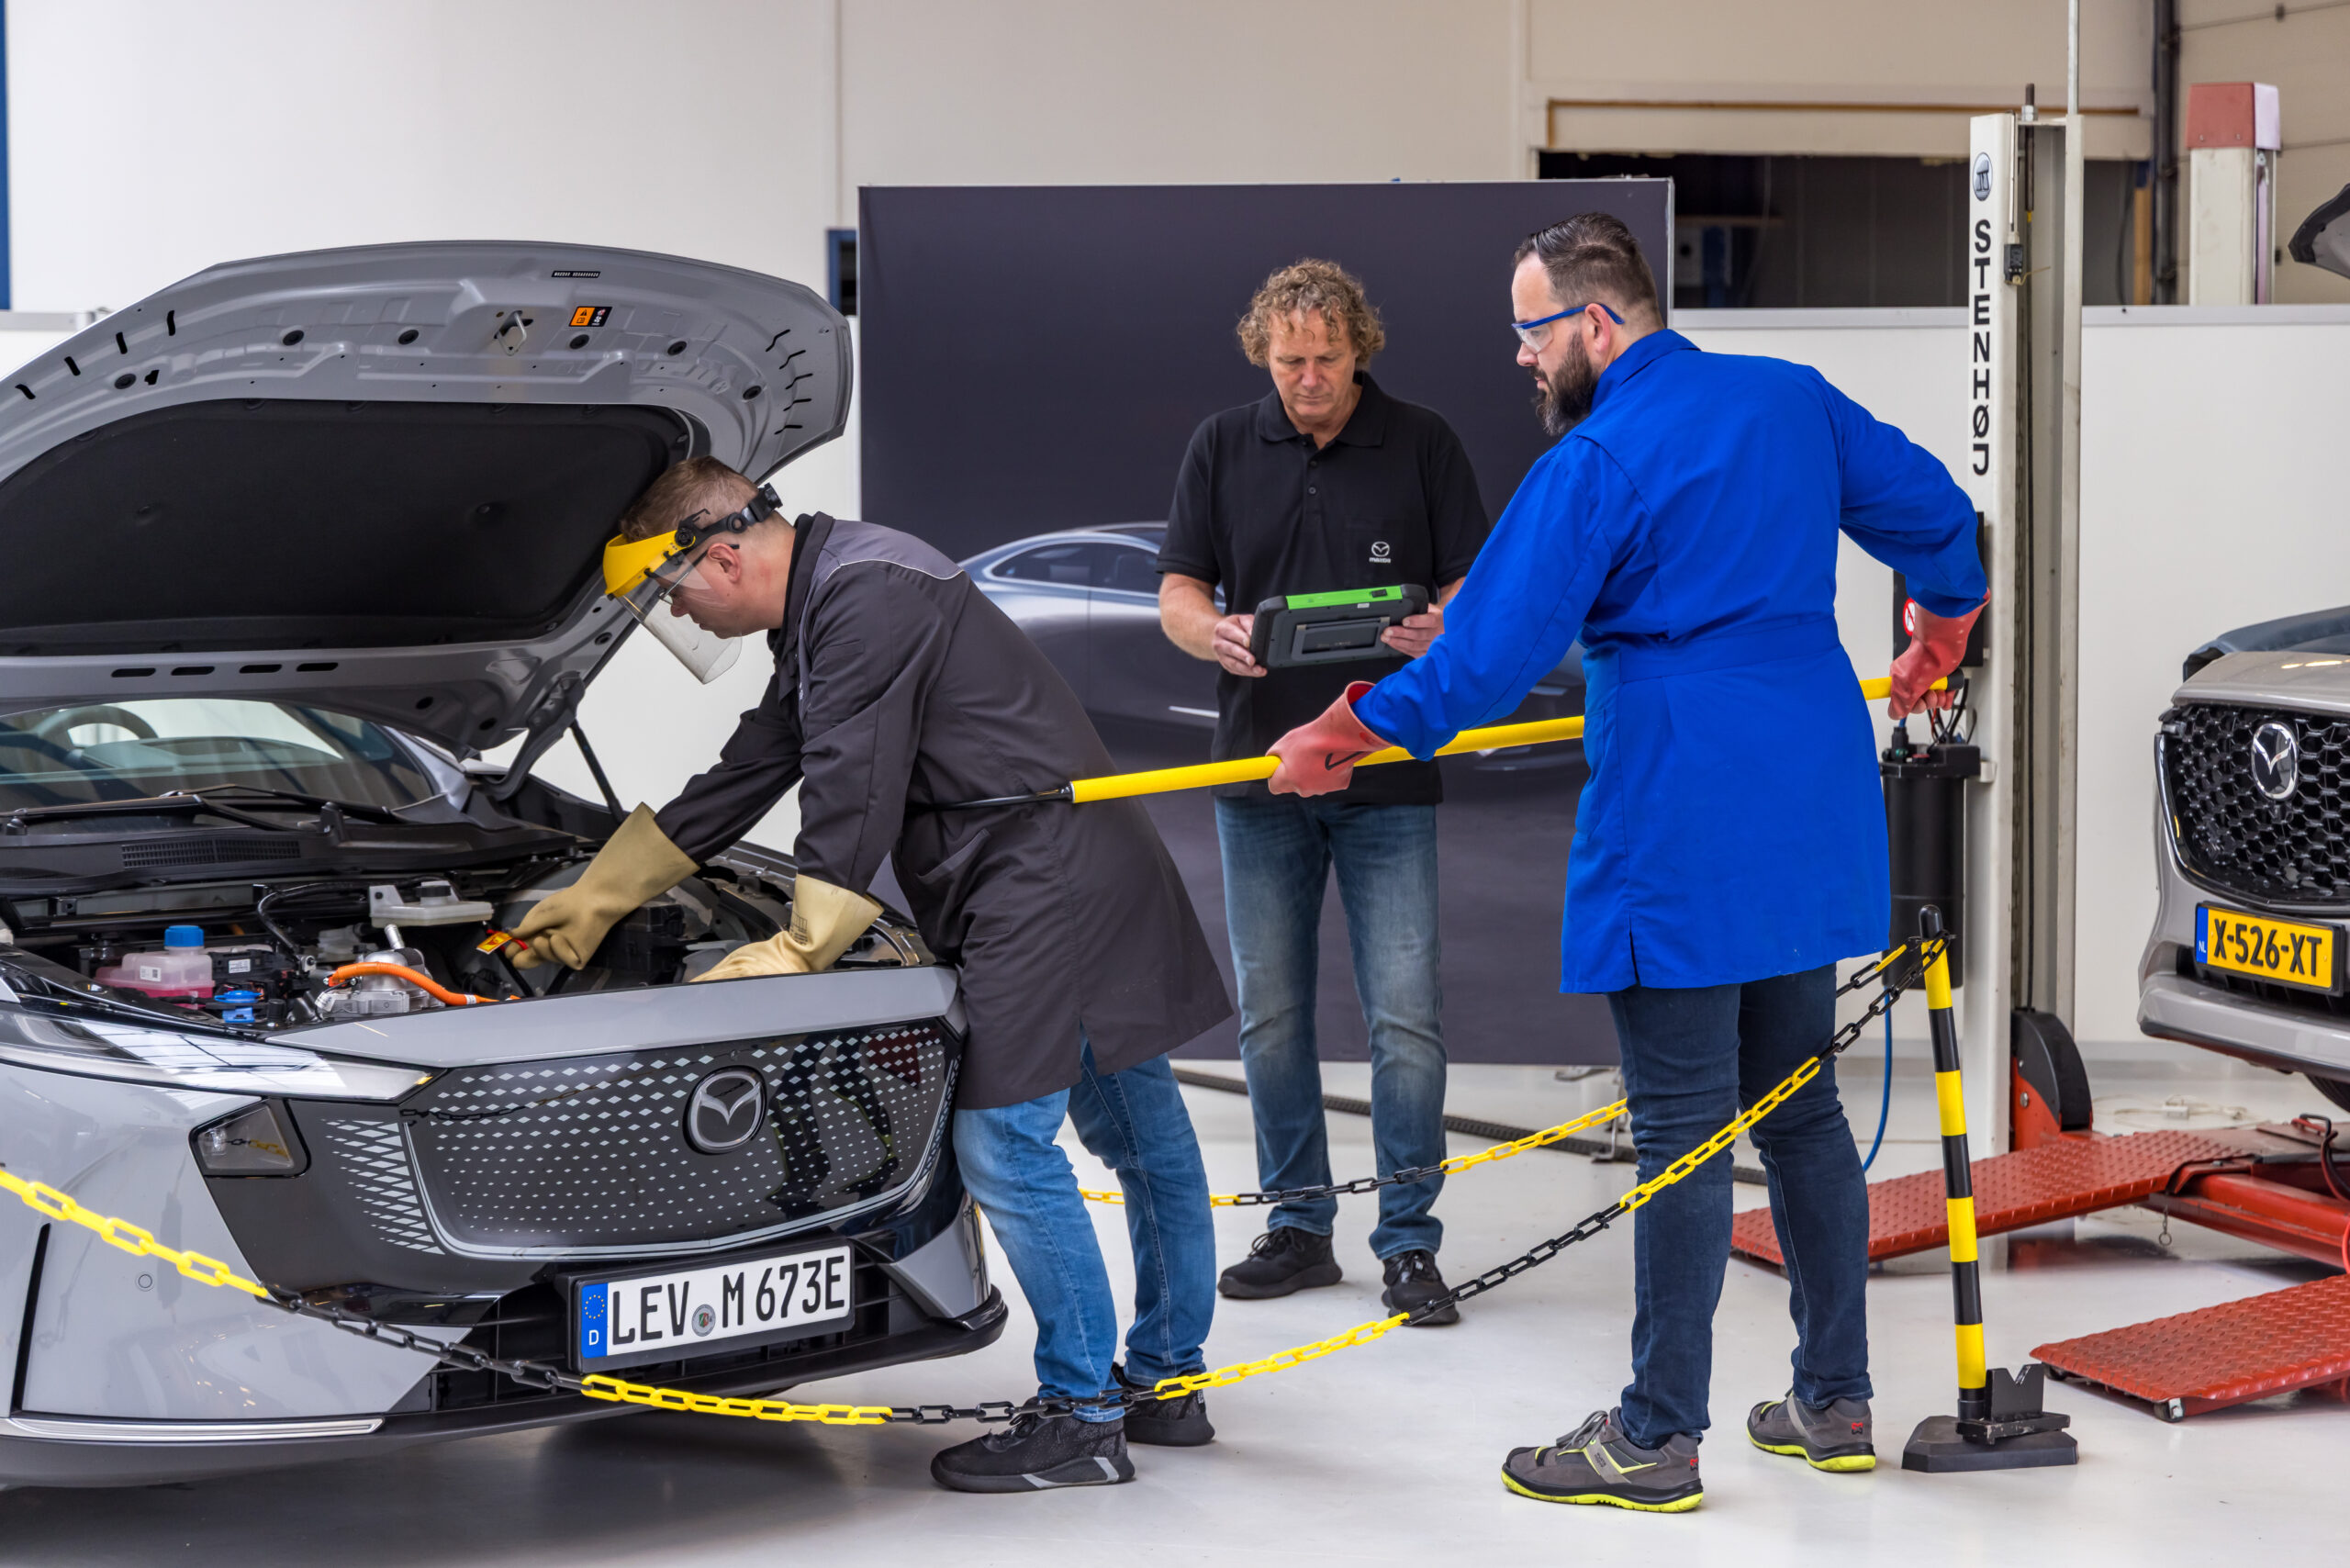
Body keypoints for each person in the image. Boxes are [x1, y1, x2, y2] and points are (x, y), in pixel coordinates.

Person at [1266, 213, 1985, 1513]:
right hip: (1809, 793)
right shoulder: (1792, 401)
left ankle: (1656, 1434)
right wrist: (1944, 618)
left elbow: (1482, 661)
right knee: (1802, 1106)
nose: (1524, 362)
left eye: (1531, 333)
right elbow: (1937, 516)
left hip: (1683, 807)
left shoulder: (1596, 457)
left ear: (1596, 324)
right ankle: (1834, 1400)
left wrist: (1347, 728)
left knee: (1682, 1130)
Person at [512, 458, 1235, 1494]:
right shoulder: (830, 596)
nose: (682, 614)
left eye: (672, 594)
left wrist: (801, 945)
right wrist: (599, 896)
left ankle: (1081, 1414)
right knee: (1141, 1132)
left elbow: (850, 783)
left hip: (1045, 880)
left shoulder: (868, 593)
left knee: (1009, 1144)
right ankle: (1165, 1381)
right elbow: (757, 764)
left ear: (721, 554)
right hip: (1056, 869)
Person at [1157, 259, 1488, 1323]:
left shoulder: (1425, 440)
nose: (1308, 380)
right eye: (1290, 361)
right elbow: (1176, 587)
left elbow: (1469, 582)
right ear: (1265, 352)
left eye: (1328, 360)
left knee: (1406, 1019)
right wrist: (1208, 629)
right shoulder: (1219, 443)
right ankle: (1298, 1229)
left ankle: (1407, 1245)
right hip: (1258, 769)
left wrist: (1444, 622)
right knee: (1272, 1018)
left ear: (1361, 350)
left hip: (1387, 764)